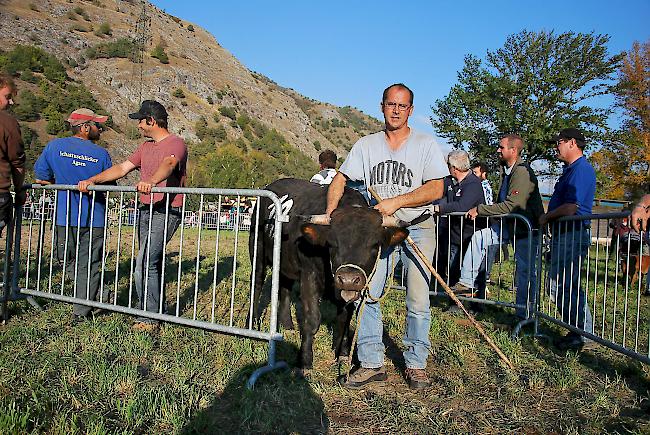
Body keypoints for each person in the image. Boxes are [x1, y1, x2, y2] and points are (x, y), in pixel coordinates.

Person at [326, 83, 448, 389]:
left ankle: (416, 364)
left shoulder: (425, 144)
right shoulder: (367, 146)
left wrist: (398, 201)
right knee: (370, 293)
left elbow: (437, 188)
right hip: (379, 231)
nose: (396, 110)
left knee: (417, 299)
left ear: (410, 110)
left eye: (402, 106)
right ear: (382, 106)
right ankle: (371, 362)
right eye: (391, 104)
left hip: (417, 227)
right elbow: (340, 179)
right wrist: (330, 213)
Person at [78, 100, 188, 331]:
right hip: (146, 209)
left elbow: (169, 163)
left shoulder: (176, 143)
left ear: (151, 120)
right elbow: (122, 168)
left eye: (140, 120)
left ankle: (149, 317)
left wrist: (150, 181)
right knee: (148, 261)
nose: (138, 125)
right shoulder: (145, 148)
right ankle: (151, 311)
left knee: (145, 262)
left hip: (166, 210)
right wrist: (93, 180)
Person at [451, 134, 544, 320]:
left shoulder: (522, 172)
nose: (498, 150)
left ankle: (525, 315)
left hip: (526, 229)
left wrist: (480, 209)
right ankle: (467, 284)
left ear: (513, 150)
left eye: (501, 147)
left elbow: (512, 205)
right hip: (510, 225)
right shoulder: (507, 171)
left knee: (525, 272)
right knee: (480, 238)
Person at [34, 108, 112, 322]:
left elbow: (41, 177)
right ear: (86, 128)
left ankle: (83, 306)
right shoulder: (101, 155)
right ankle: (91, 298)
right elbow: (110, 184)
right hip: (94, 217)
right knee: (88, 263)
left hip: (64, 215)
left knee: (65, 259)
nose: (101, 129)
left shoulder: (54, 147)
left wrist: (59, 184)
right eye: (97, 125)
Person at [539, 128, 596, 350]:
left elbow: (572, 207)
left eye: (559, 142)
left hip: (573, 234)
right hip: (566, 234)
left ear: (572, 143)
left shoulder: (581, 170)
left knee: (562, 285)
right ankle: (579, 331)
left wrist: (546, 217)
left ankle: (583, 333)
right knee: (563, 285)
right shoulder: (571, 170)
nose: (556, 146)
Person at [432, 150, 485, 288]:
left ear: (454, 167)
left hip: (470, 234)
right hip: (453, 232)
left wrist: (440, 209)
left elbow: (463, 206)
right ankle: (452, 299)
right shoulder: (448, 181)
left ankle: (476, 302)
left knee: (469, 269)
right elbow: (436, 195)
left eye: (448, 164)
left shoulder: (473, 183)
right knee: (452, 267)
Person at [0, 75, 26, 236]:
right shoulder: (7, 123)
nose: (11, 102)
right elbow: (17, 162)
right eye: (7, 97)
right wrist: (19, 189)